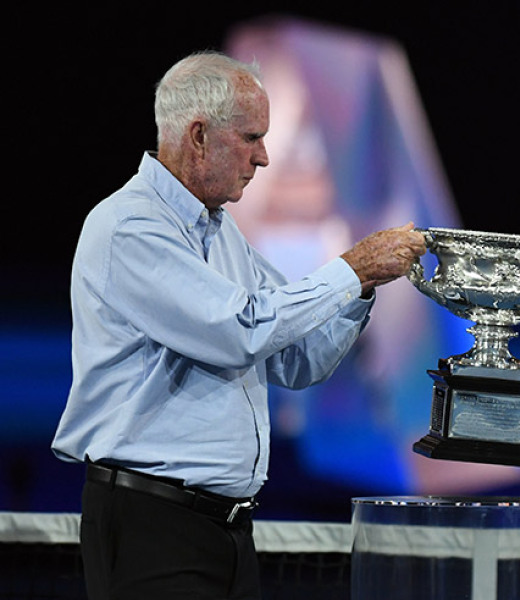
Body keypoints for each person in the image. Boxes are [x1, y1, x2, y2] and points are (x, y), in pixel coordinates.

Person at [51, 51, 427, 599]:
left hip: (225, 532)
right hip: (150, 525)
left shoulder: (222, 234)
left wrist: (361, 290)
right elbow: (240, 331)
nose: (265, 157)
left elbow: (298, 360)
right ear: (198, 134)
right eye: (251, 138)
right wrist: (351, 269)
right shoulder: (129, 227)